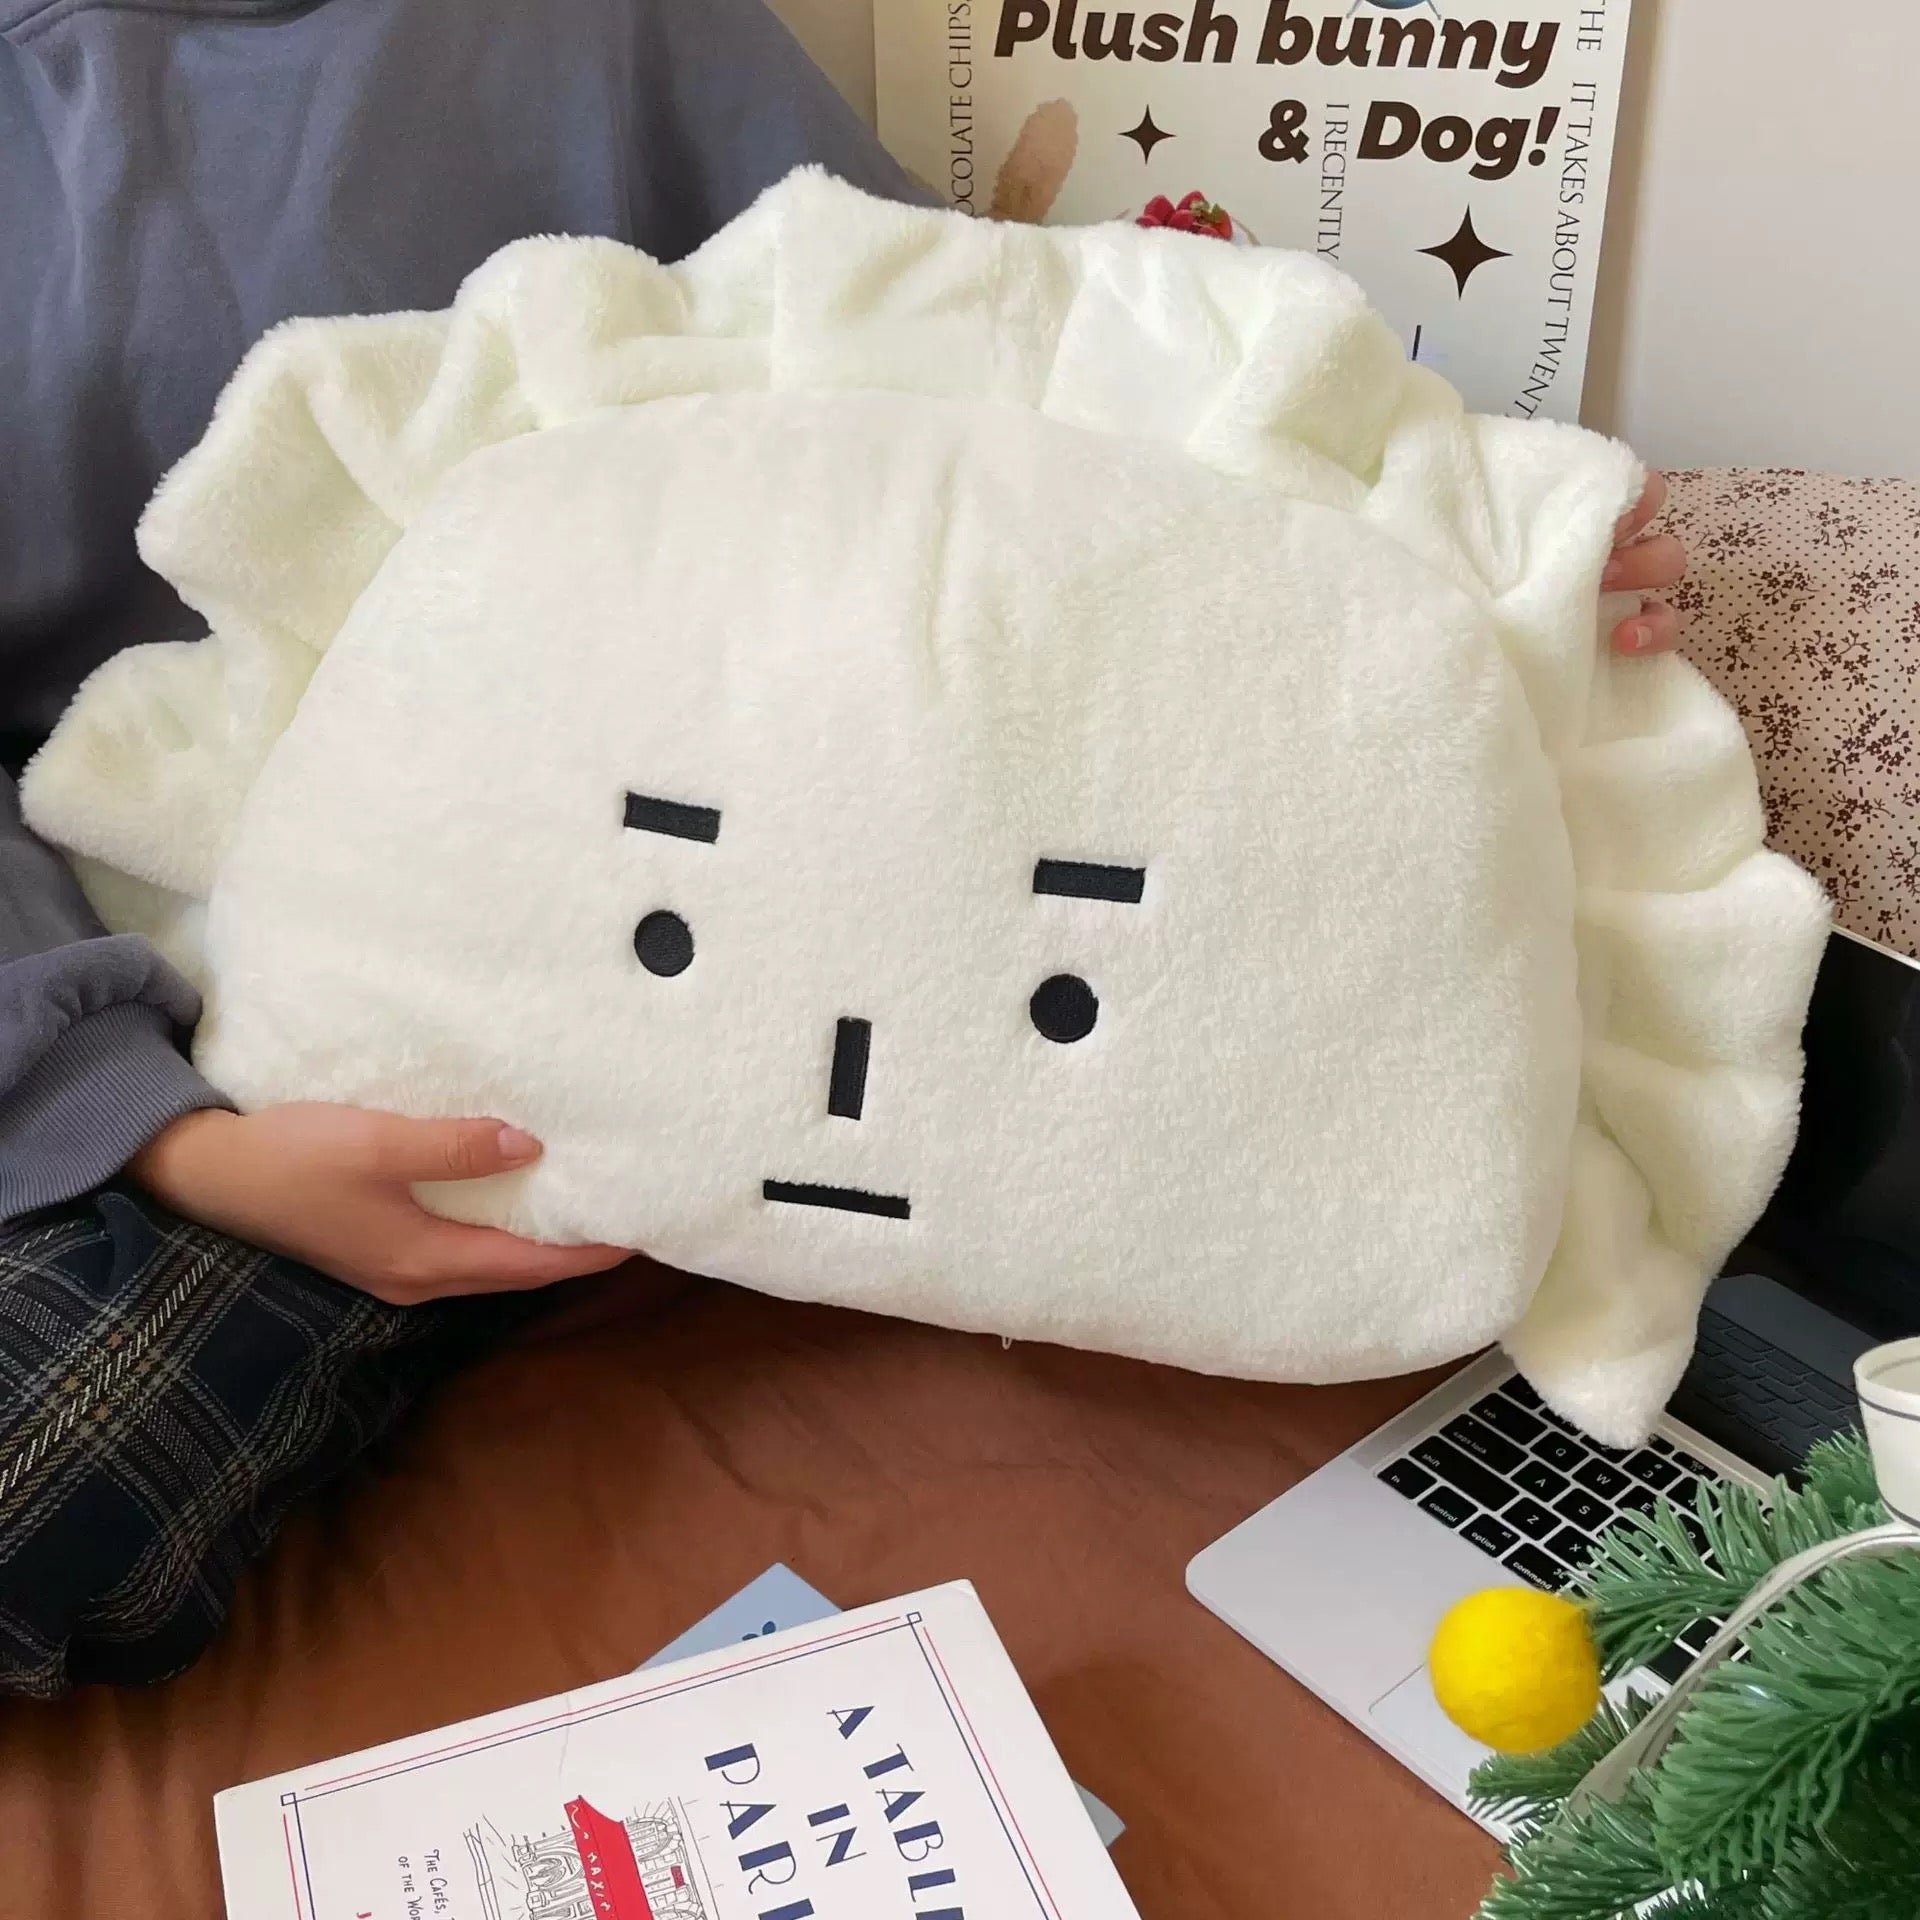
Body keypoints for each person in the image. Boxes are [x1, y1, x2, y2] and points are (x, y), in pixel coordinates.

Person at [0, 0, 1687, 1697]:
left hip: (672, 949)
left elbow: (944, 373)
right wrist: (149, 1132)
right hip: (169, 1028)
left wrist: (1494, 535)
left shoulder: (597, 28)